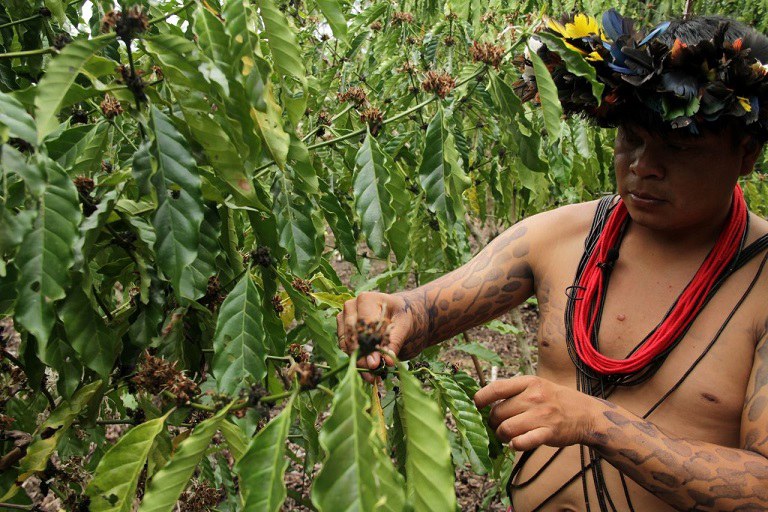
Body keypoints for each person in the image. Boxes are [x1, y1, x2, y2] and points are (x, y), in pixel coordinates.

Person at [337, 11, 768, 512]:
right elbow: (422, 311)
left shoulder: (760, 280)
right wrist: (386, 318)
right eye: (631, 138)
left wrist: (598, 423)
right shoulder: (561, 235)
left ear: (747, 154)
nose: (643, 167)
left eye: (678, 146)